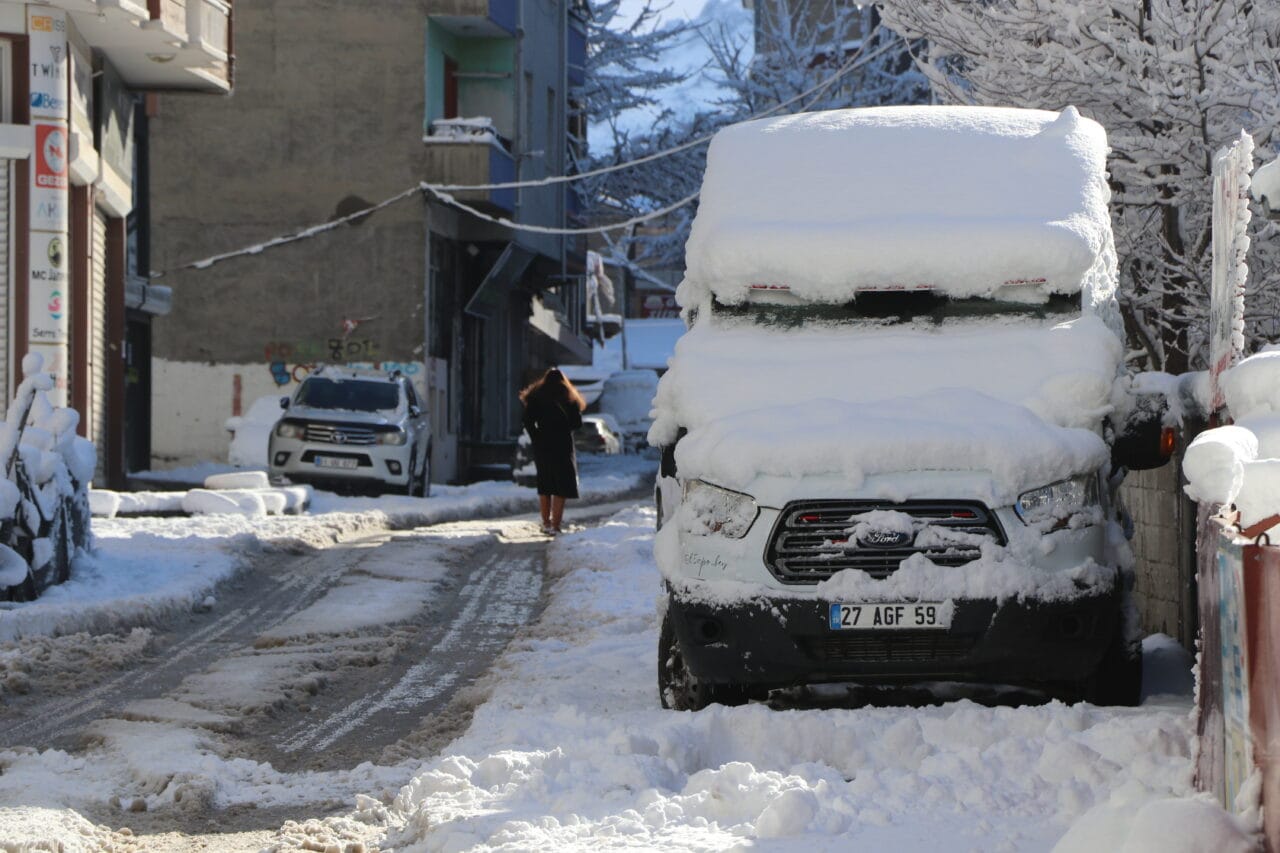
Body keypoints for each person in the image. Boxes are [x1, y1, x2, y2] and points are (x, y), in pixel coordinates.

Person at [519, 368, 586, 534]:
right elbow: (577, 423)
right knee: (561, 486)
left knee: (545, 484)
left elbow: (527, 420)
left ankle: (546, 523)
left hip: (542, 445)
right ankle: (556, 525)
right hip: (562, 445)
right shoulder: (569, 397)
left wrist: (536, 437)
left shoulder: (536, 396)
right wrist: (564, 428)